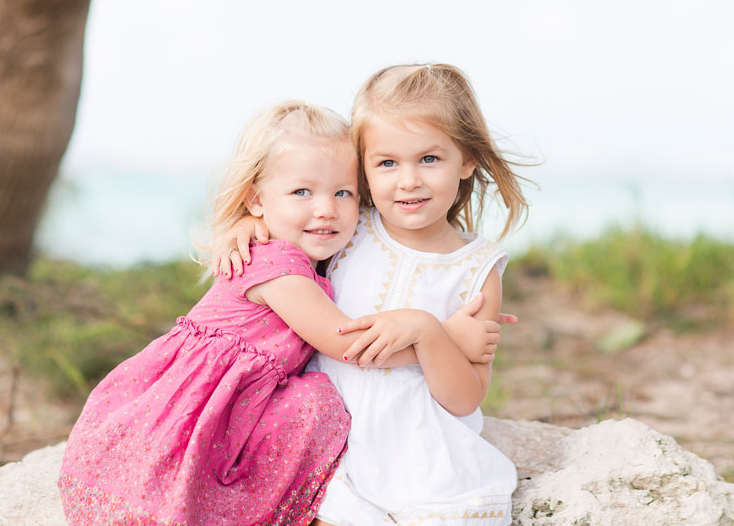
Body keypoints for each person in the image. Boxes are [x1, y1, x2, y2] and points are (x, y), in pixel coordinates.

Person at [57, 100, 502, 526]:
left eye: (343, 192)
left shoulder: (332, 240)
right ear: (257, 199)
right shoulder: (278, 268)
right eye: (301, 192)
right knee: (314, 405)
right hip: (202, 407)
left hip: (239, 402)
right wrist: (440, 337)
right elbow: (344, 343)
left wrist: (259, 219)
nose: (326, 209)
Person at [220, 65, 529, 526]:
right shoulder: (350, 226)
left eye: (429, 159)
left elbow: (466, 398)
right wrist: (252, 223)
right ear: (362, 168)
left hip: (418, 451)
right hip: (330, 439)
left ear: (467, 161)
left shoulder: (475, 267)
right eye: (386, 163)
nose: (407, 181)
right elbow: (289, 223)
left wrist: (429, 333)